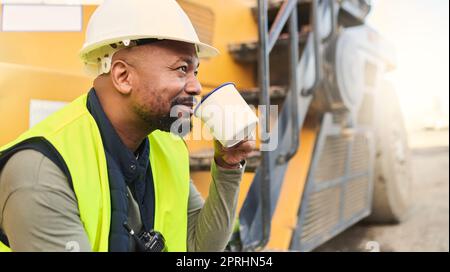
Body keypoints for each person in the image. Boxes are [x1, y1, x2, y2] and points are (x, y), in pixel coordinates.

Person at [0, 0, 254, 252]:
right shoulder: (40, 172)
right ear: (123, 76)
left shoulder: (166, 147)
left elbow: (199, 248)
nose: (196, 87)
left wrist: (228, 165)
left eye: (195, 72)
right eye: (181, 69)